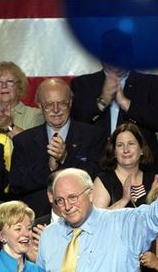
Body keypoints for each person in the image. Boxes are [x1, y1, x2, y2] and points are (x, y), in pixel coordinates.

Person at [9, 77, 107, 216]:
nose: (56, 110)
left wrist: (66, 158)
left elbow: (98, 176)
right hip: (37, 221)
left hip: (82, 217)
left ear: (70, 103)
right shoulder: (24, 140)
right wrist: (49, 168)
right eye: (49, 104)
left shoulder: (93, 136)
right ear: (40, 105)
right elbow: (17, 184)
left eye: (62, 103)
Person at [70, 63, 158, 174]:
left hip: (143, 168)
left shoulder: (151, 83)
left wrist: (126, 104)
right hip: (96, 167)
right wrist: (102, 101)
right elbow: (76, 121)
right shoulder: (83, 84)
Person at [0, 61, 45, 172]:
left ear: (19, 86)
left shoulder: (35, 115)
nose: (4, 86)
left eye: (9, 81)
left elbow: (36, 149)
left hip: (24, 180)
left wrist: (9, 127)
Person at [93, 122, 158, 209]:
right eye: (120, 145)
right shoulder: (103, 180)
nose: (126, 150)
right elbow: (97, 219)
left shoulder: (154, 180)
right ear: (114, 152)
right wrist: (124, 201)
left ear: (141, 149)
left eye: (131, 144)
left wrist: (156, 202)